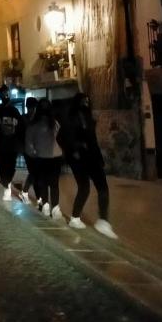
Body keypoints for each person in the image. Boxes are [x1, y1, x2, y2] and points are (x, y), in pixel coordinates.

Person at [61, 93, 117, 238]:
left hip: (90, 156)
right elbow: (64, 137)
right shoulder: (72, 118)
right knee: (86, 187)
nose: (86, 102)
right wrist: (74, 151)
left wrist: (98, 157)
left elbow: (92, 139)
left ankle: (100, 221)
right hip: (81, 158)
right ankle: (78, 218)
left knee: (99, 187)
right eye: (83, 100)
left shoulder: (86, 117)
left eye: (87, 100)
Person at [25, 97, 63, 220]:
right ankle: (55, 208)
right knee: (54, 184)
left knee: (44, 183)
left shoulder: (33, 125)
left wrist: (33, 153)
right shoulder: (55, 123)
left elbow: (29, 143)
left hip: (41, 157)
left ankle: (46, 205)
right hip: (55, 156)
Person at [18, 97, 38, 203]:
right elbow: (20, 134)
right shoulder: (23, 119)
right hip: (27, 149)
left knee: (34, 172)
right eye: (32, 107)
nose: (33, 110)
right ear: (27, 107)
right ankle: (25, 191)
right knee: (33, 171)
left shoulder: (36, 119)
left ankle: (29, 192)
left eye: (34, 108)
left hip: (37, 149)